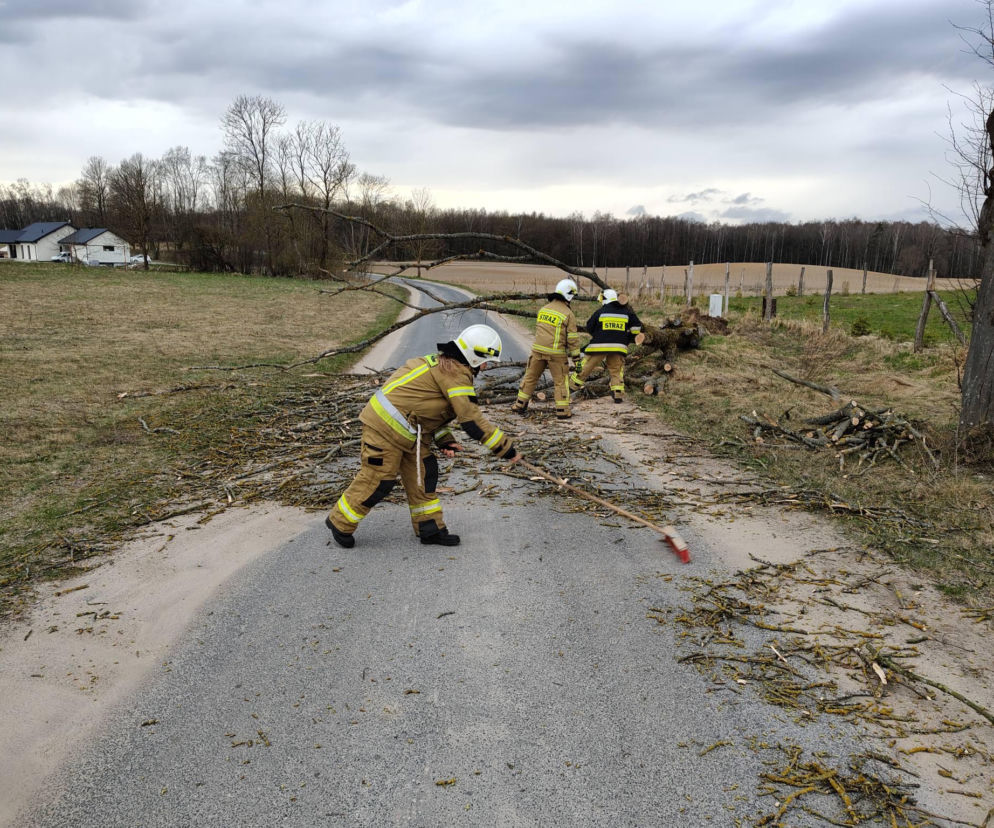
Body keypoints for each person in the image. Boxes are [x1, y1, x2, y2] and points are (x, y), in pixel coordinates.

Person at [325, 324, 520, 549]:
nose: (486, 367)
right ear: (474, 356)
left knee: (424, 474)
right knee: (378, 479)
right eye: (486, 361)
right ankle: (340, 521)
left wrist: (445, 438)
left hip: (409, 432)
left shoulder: (447, 366)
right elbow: (472, 420)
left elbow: (427, 410)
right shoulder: (455, 374)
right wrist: (506, 449)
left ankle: (430, 528)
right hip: (383, 429)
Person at [512, 278, 581, 420]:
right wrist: (577, 359)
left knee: (530, 377)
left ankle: (519, 404)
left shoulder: (543, 309)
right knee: (561, 381)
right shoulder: (568, 314)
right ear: (569, 295)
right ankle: (562, 410)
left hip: (537, 351)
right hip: (556, 354)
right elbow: (572, 339)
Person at [569, 288, 643, 403]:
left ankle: (571, 387)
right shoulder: (627, 312)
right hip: (619, 347)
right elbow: (637, 327)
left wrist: (599, 334)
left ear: (604, 299)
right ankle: (618, 393)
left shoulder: (600, 312)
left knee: (586, 366)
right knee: (616, 370)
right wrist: (628, 338)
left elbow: (589, 326)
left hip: (599, 346)